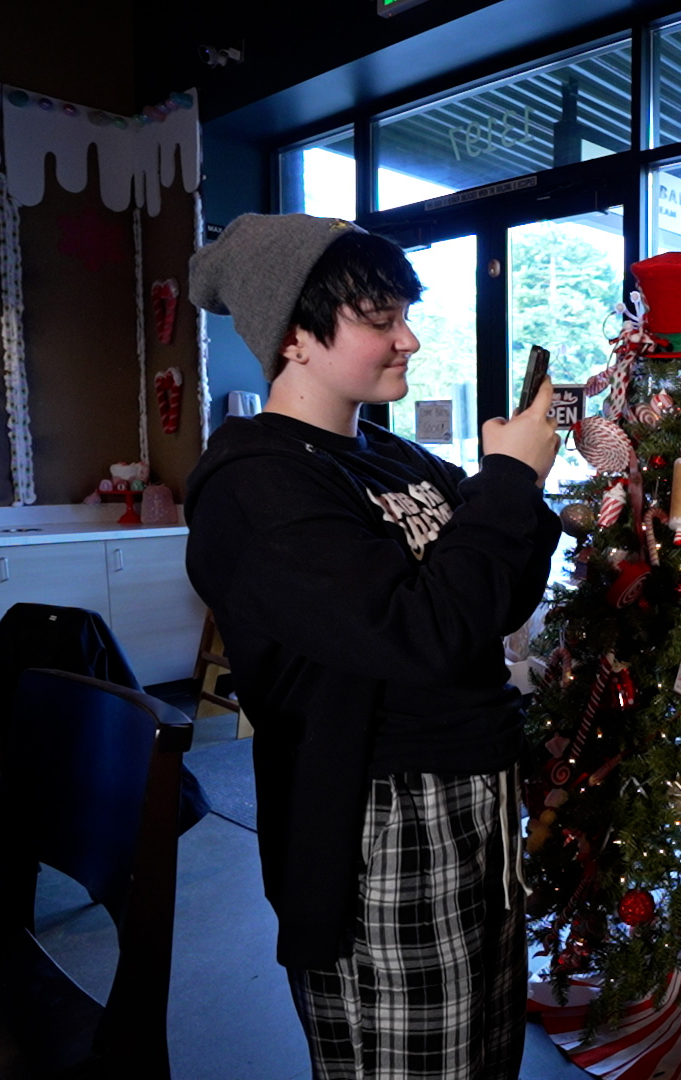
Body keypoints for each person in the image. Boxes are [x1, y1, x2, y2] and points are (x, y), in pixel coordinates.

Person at [184, 214, 562, 1079]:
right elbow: (423, 634)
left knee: (483, 1052)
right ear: (294, 337)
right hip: (379, 816)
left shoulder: (393, 458)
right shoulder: (256, 484)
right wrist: (507, 481)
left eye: (405, 313)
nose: (410, 338)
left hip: (479, 792)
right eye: (379, 318)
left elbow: (497, 594)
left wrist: (507, 491)